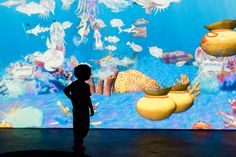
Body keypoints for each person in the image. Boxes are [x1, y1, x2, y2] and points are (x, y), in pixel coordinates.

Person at [63, 64, 94, 154]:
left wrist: (71, 97)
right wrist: (91, 108)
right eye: (89, 73)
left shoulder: (78, 85)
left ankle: (78, 143)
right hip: (82, 109)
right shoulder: (84, 86)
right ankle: (78, 144)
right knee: (84, 126)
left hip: (79, 109)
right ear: (86, 75)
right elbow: (88, 99)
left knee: (79, 126)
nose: (89, 74)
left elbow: (65, 91)